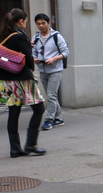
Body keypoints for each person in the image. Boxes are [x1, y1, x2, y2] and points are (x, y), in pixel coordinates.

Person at [0, 8, 46, 157]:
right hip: (22, 79)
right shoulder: (19, 36)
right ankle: (31, 145)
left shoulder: (3, 35)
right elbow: (29, 59)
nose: (25, 24)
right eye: (25, 21)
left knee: (14, 111)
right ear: (21, 21)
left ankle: (15, 149)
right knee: (39, 109)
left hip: (6, 80)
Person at [32, 13, 70, 131]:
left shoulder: (56, 36)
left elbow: (65, 52)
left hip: (55, 70)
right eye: (38, 24)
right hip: (42, 70)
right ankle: (59, 119)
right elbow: (32, 52)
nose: (41, 26)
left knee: (51, 95)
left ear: (48, 23)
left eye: (43, 23)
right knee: (51, 96)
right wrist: (35, 60)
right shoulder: (36, 38)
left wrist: (54, 59)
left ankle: (49, 120)